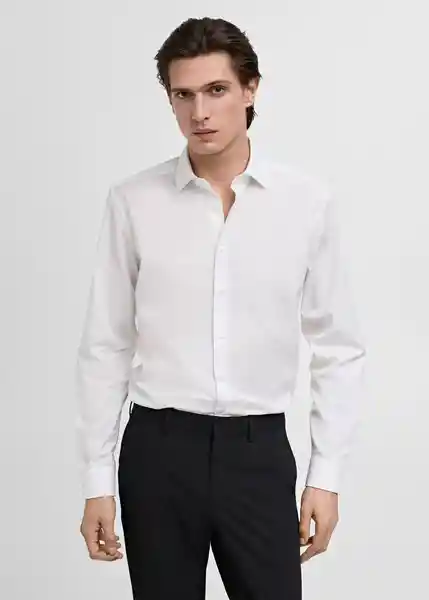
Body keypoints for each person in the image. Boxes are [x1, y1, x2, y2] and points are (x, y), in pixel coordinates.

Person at [76, 16, 366, 600]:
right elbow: (106, 344)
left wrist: (326, 475)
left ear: (250, 90)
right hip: (157, 453)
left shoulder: (306, 203)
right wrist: (96, 480)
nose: (199, 112)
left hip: (258, 455)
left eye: (216, 90)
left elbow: (338, 346)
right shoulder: (133, 202)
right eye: (183, 95)